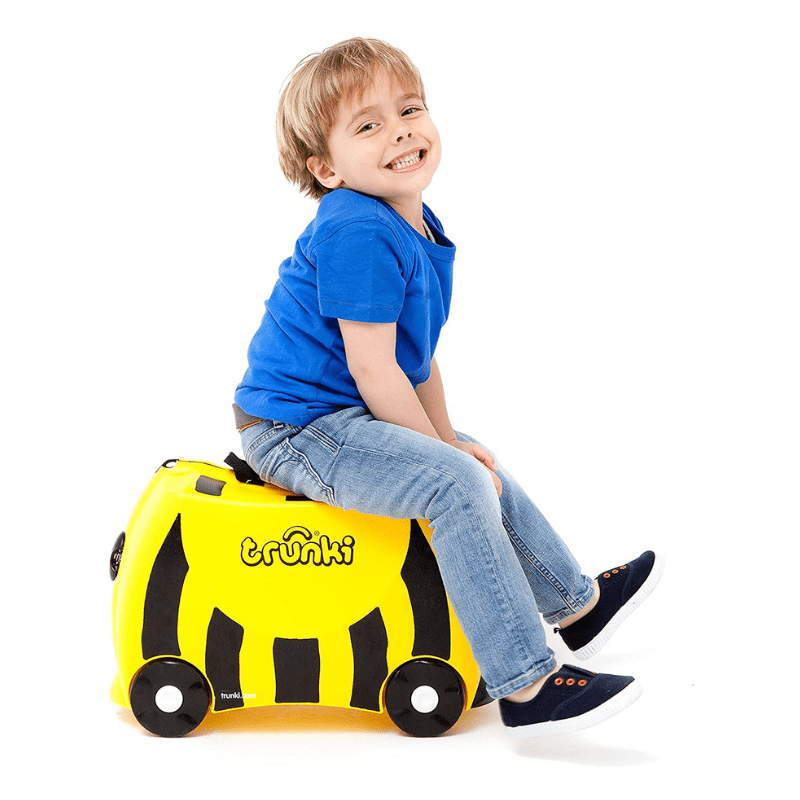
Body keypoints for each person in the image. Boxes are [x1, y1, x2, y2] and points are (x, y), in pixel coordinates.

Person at [234, 37, 663, 737]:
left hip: (345, 415)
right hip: (297, 430)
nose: (401, 131)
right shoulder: (356, 231)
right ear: (326, 168)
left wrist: (449, 440)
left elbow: (417, 360)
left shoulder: (412, 221)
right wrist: (446, 458)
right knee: (457, 482)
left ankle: (576, 608)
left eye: (409, 110)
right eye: (368, 125)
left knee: (472, 458)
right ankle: (527, 685)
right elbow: (374, 370)